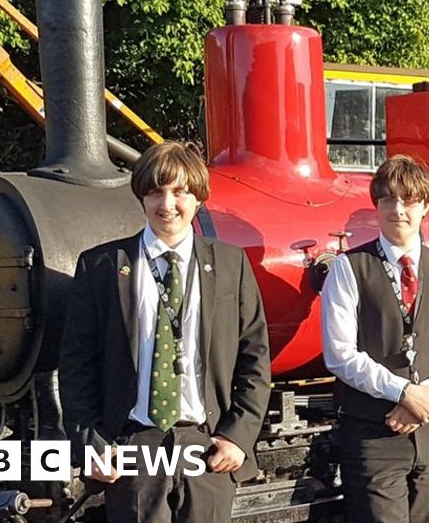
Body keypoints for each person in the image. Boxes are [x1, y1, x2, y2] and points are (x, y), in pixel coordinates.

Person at [60, 142, 272, 523]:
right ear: (142, 196)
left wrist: (238, 437)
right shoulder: (102, 266)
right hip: (132, 448)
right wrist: (92, 443)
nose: (167, 204)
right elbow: (77, 365)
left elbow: (254, 358)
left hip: (207, 448)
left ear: (199, 198)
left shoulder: (231, 264)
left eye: (180, 192)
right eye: (156, 191)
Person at [321, 154, 429, 522]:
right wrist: (403, 393)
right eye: (388, 199)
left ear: (425, 206)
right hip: (373, 434)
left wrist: (427, 397)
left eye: (409, 200)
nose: (398, 210)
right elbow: (340, 354)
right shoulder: (348, 267)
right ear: (376, 205)